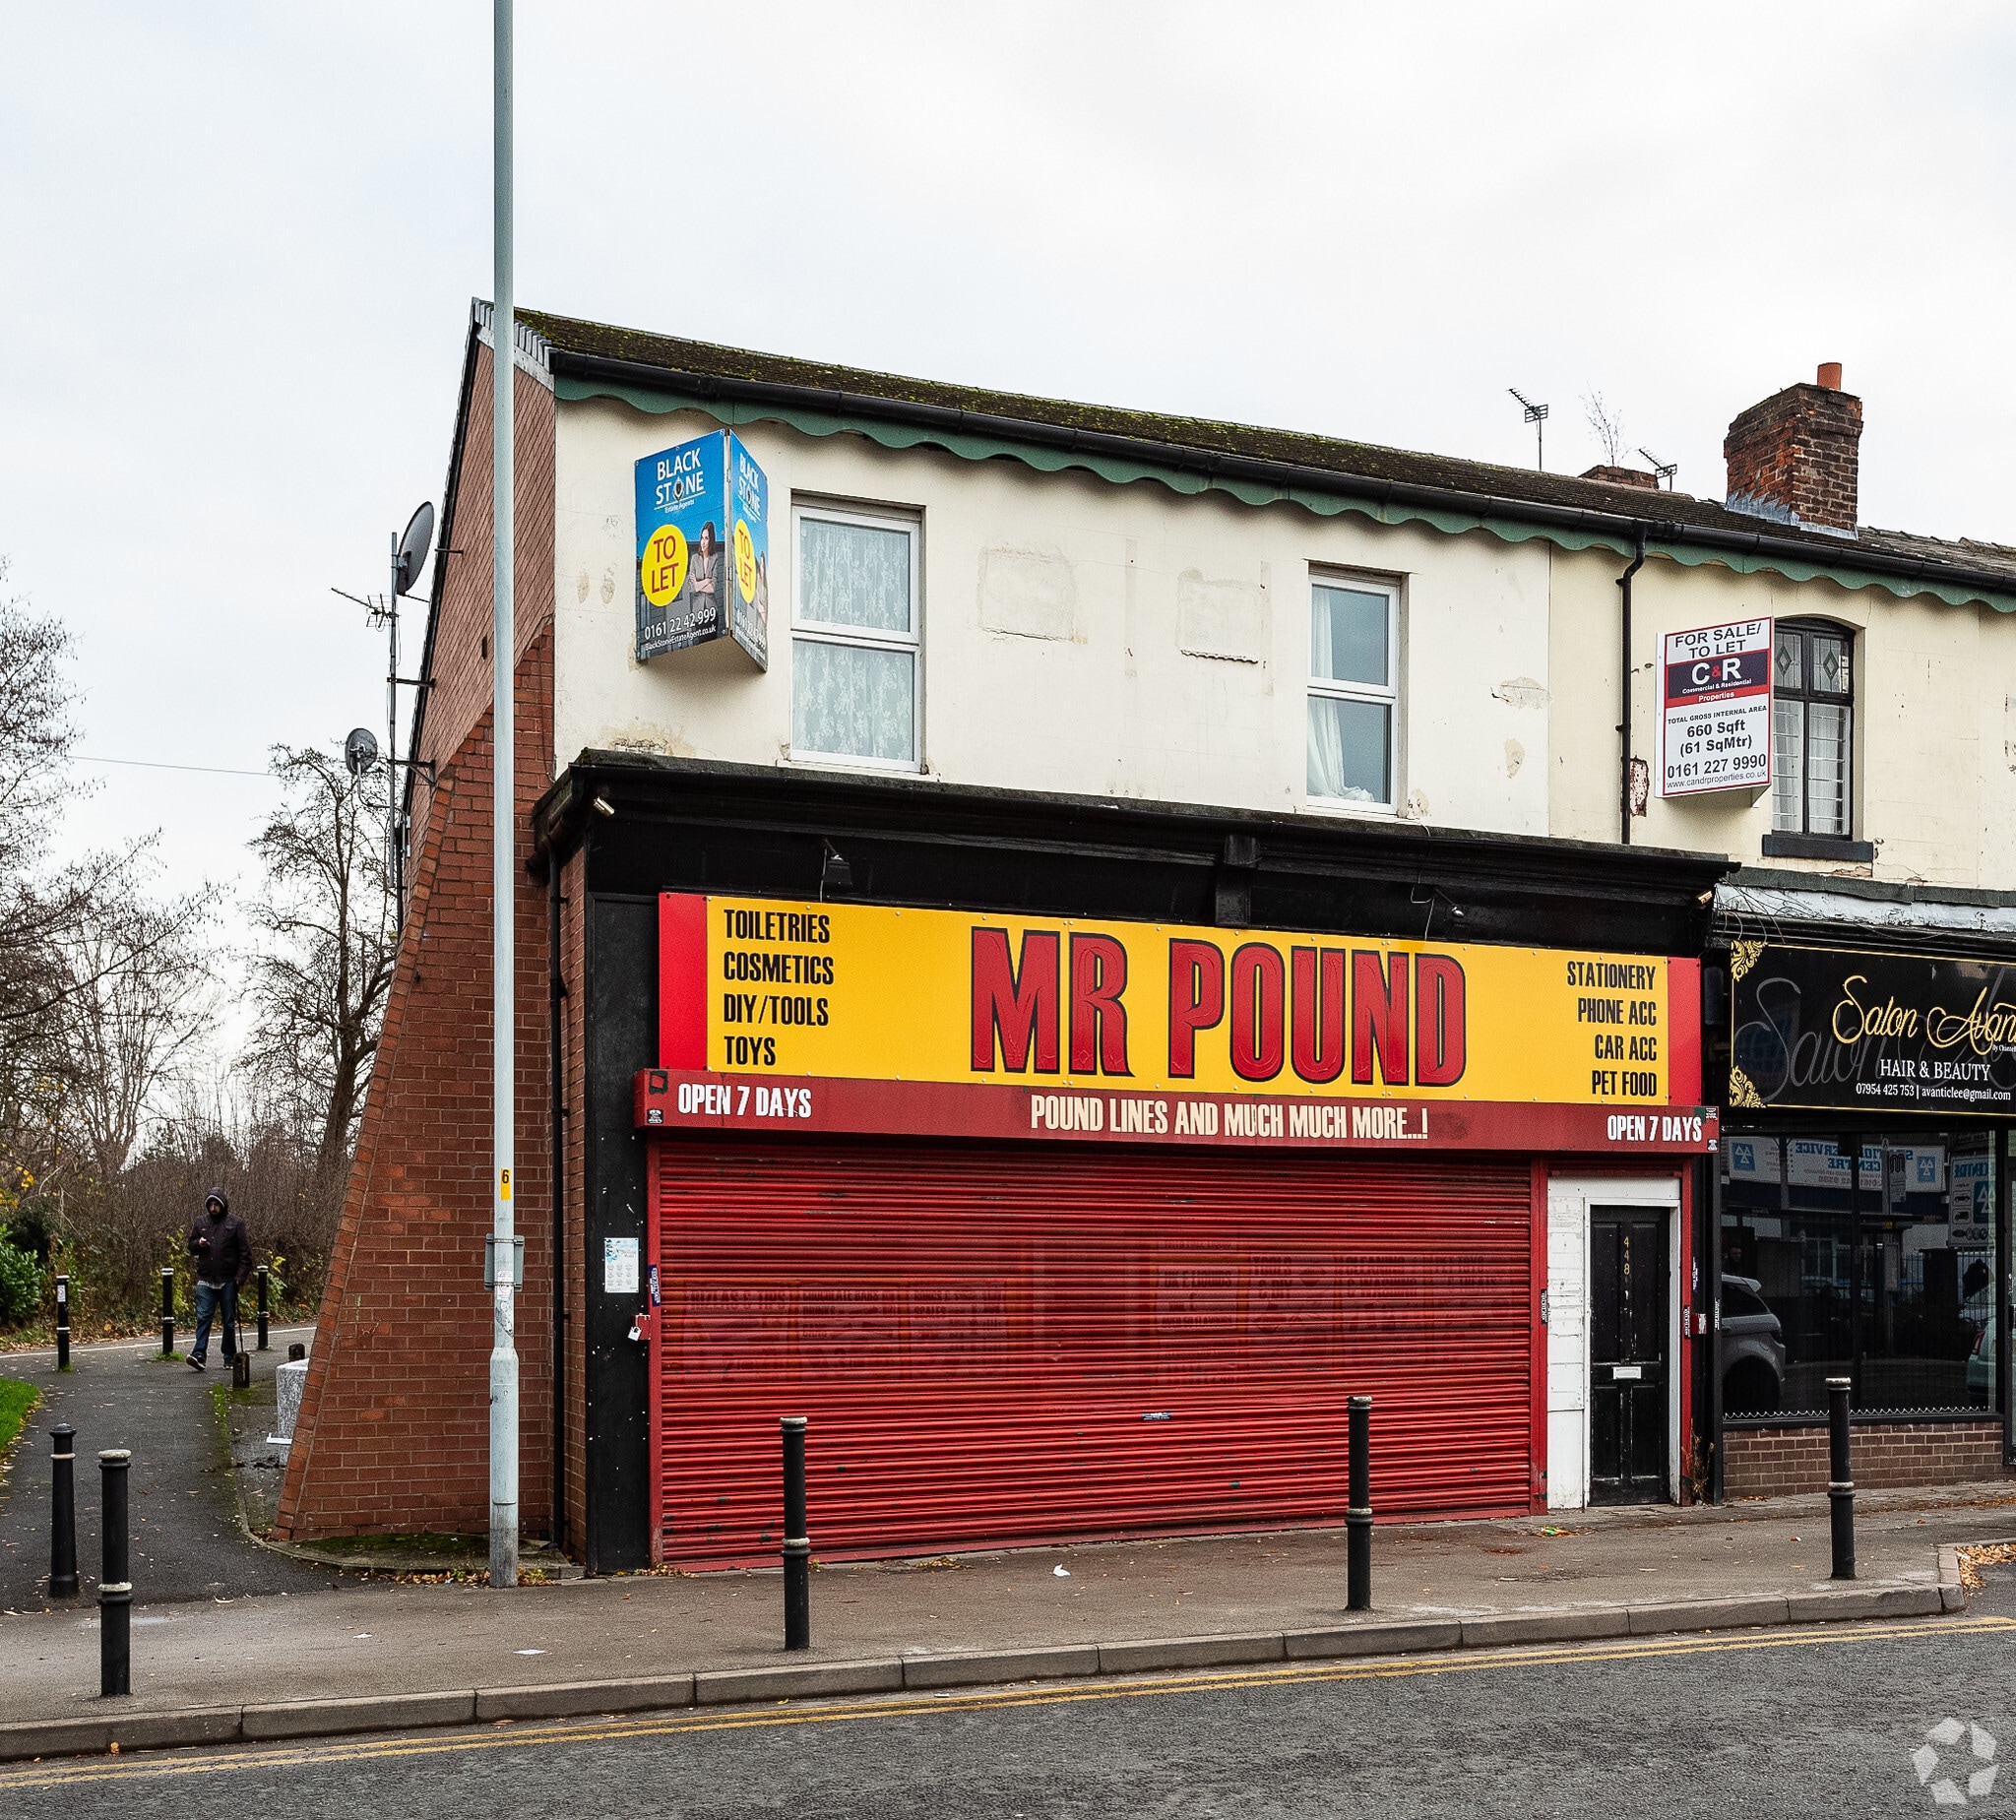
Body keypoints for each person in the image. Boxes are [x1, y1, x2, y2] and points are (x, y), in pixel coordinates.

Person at [186, 1189, 251, 1370]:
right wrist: (198, 1244)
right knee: (203, 1318)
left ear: (223, 1205)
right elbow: (190, 1246)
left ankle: (229, 1356)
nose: (213, 1208)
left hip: (228, 1279)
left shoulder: (236, 1224)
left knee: (228, 1320)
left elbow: (245, 1254)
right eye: (210, 1205)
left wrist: (239, 1278)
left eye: (216, 1205)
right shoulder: (201, 1222)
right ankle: (199, 1354)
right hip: (206, 1278)